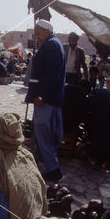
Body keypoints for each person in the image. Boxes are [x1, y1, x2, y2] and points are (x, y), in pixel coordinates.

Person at [25, 19, 65, 182]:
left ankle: (53, 169)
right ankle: (39, 161)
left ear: (47, 31)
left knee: (44, 132)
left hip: (46, 99)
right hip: (47, 97)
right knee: (41, 131)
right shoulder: (52, 44)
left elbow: (52, 75)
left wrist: (43, 96)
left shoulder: (51, 45)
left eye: (38, 32)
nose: (36, 35)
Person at [79, 80, 110, 166]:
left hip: (108, 110)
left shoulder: (92, 96)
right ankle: (102, 158)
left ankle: (96, 157)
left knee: (98, 132)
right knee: (104, 133)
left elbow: (91, 116)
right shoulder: (97, 93)